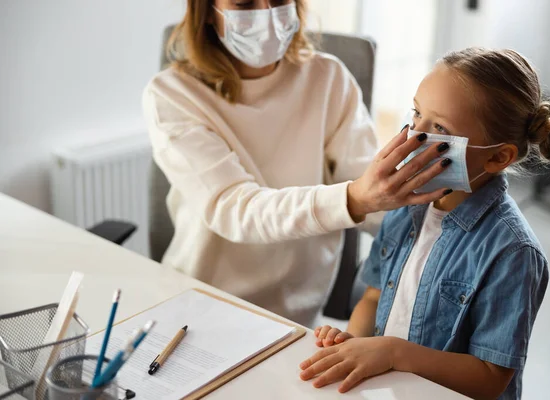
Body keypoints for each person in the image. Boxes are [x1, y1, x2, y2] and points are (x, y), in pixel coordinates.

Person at [142, 0, 453, 326]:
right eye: (245, 4)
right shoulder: (171, 94)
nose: (266, 14)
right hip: (201, 305)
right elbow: (236, 209)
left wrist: (443, 203)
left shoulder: (328, 78)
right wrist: (352, 198)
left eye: (279, 1)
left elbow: (375, 196)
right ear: (205, 11)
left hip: (297, 315)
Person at [299, 47, 550, 399]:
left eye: (439, 127)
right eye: (416, 113)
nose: (414, 136)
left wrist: (393, 352)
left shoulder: (513, 252)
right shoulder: (404, 207)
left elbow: (489, 378)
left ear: (498, 156)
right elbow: (373, 296)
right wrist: (353, 344)